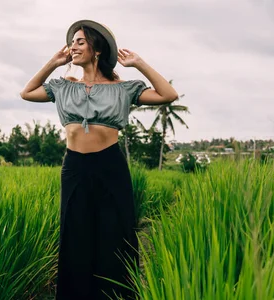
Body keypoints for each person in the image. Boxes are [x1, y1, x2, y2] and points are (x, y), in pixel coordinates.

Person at [20, 19, 178, 300]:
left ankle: (115, 295)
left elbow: (168, 94)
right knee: (75, 233)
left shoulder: (123, 89)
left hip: (110, 166)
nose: (73, 46)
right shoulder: (62, 87)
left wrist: (139, 63)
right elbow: (27, 92)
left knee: (115, 232)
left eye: (80, 41)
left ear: (97, 50)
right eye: (72, 42)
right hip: (74, 167)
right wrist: (53, 63)